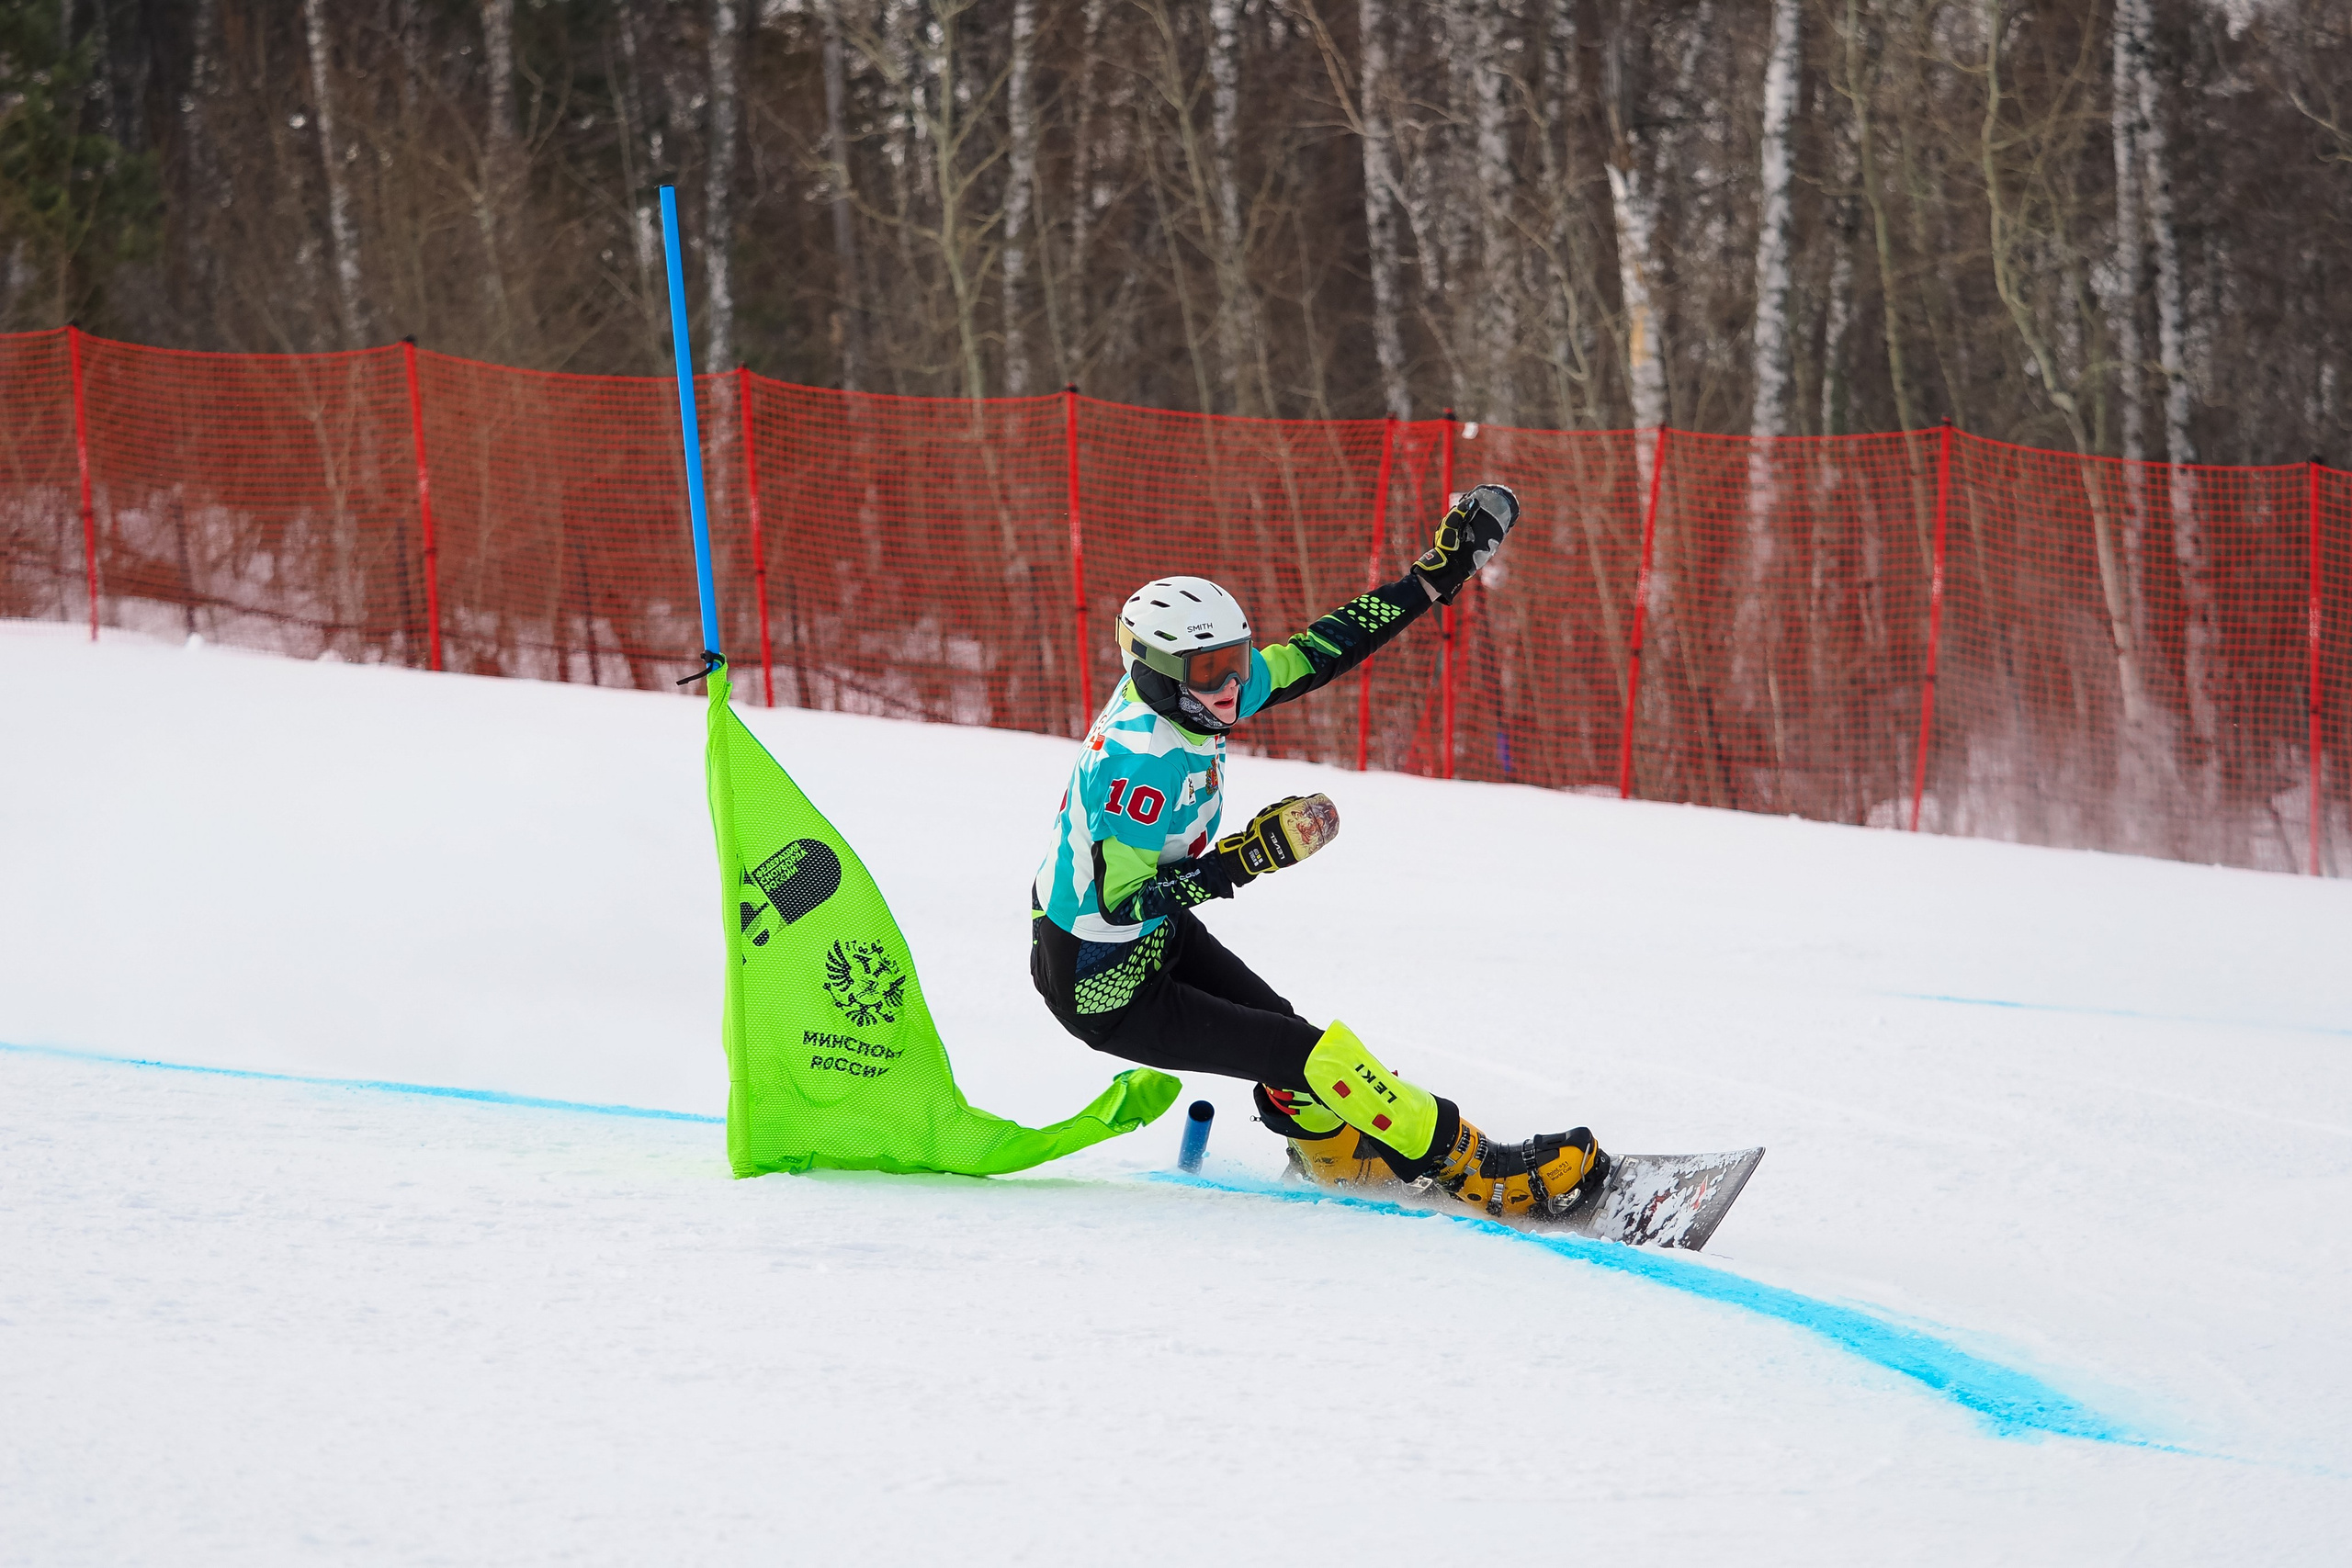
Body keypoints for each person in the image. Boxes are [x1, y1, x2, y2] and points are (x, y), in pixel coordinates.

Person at [1030, 484, 1610, 1221]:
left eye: (1236, 659)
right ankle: (1477, 1168)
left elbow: (1316, 651)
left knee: (1290, 1043)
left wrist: (1428, 581)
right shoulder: (1140, 763)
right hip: (1103, 982)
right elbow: (1124, 901)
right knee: (1311, 1055)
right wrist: (1243, 859)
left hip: (1143, 943)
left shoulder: (1181, 694)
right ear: (1160, 670)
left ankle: (1334, 1150)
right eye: (1212, 672)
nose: (1236, 685)